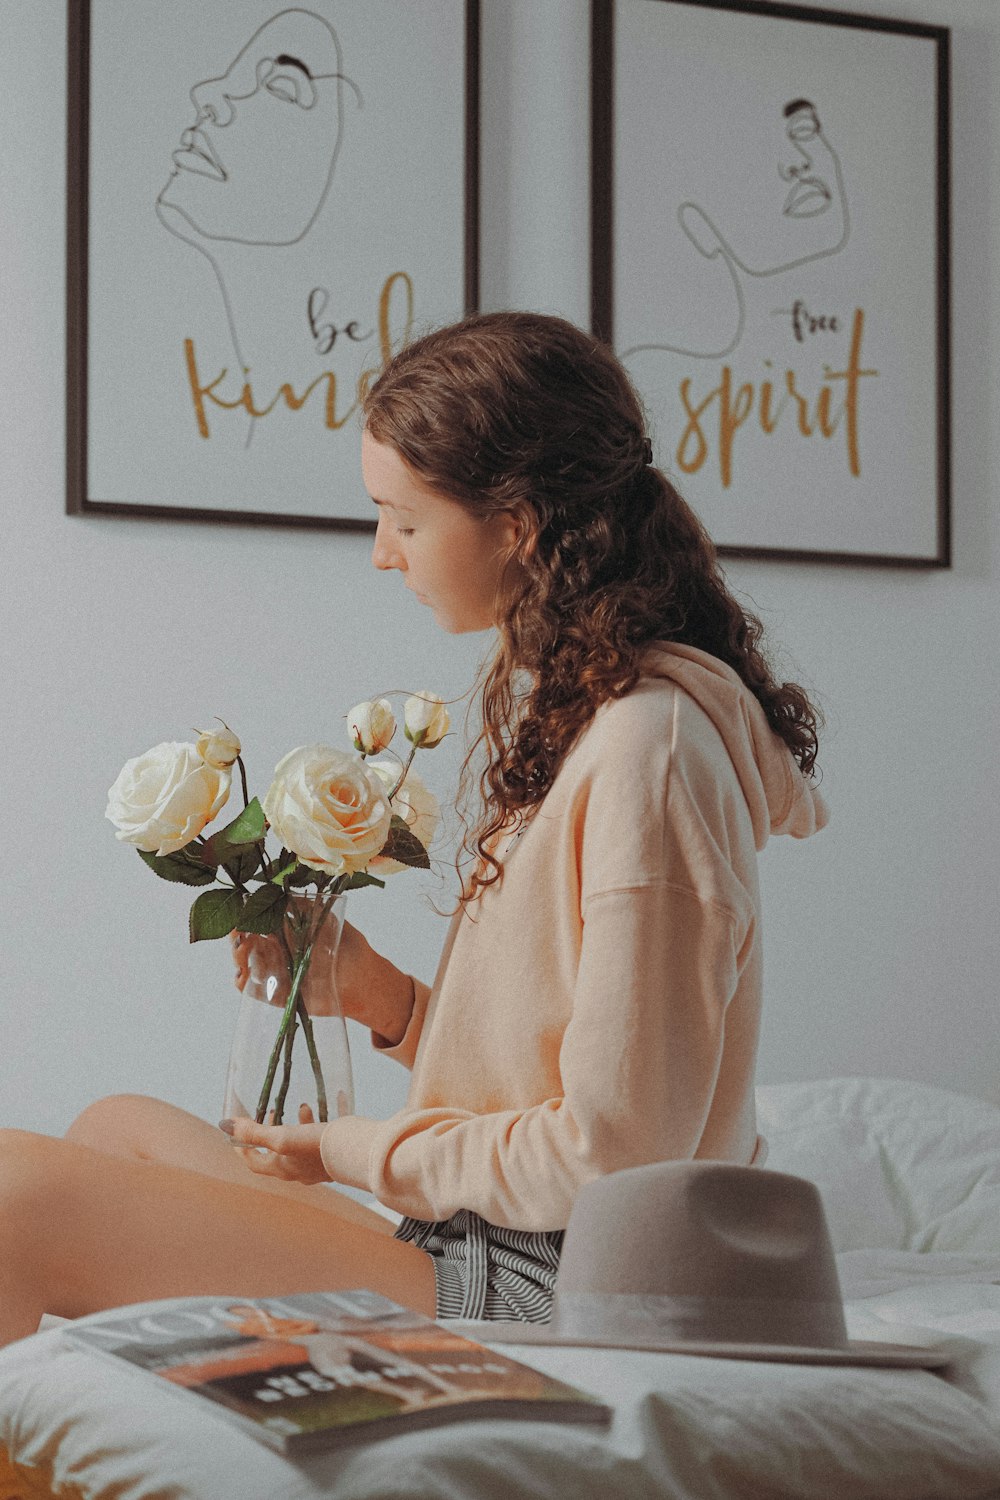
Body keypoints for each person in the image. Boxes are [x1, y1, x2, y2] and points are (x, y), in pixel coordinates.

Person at [0, 311, 825, 1344]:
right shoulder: (592, 714)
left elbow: (615, 1156)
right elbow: (558, 1076)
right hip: (490, 1244)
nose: (382, 554)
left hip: (562, 1288)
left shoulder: (647, 753)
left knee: (11, 1198)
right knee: (117, 1126)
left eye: (401, 518)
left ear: (516, 523)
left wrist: (357, 1148)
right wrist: (386, 1002)